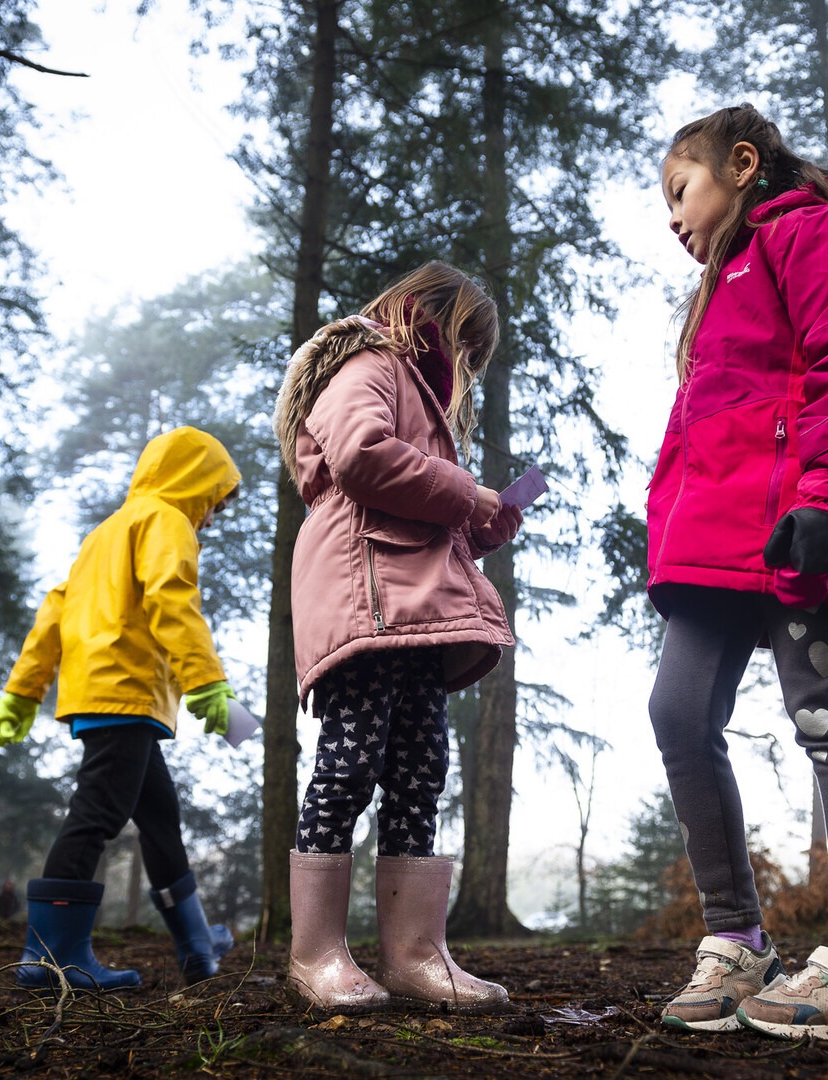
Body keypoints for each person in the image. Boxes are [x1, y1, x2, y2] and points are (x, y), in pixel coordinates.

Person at [647, 104, 828, 1041]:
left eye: (678, 189)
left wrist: (825, 494)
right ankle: (735, 944)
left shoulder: (814, 234)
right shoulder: (717, 287)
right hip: (712, 546)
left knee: (826, 716)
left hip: (801, 526)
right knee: (677, 714)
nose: (672, 215)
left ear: (740, 162)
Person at [273, 262, 523, 1013]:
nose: (468, 366)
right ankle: (314, 954)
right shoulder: (369, 360)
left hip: (412, 613)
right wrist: (463, 491)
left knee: (420, 771)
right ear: (430, 317)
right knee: (347, 765)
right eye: (466, 345)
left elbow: (414, 516)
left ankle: (416, 953)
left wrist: (479, 522)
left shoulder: (421, 395)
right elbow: (361, 457)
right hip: (363, 604)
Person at [0, 426, 240, 991]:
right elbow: (172, 599)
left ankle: (197, 944)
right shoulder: (167, 520)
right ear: (194, 484)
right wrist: (206, 682)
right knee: (96, 815)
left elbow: (55, 610)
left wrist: (21, 692)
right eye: (214, 502)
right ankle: (52, 959)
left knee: (159, 820)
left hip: (101, 694)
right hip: (127, 691)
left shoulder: (104, 533)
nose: (212, 517)